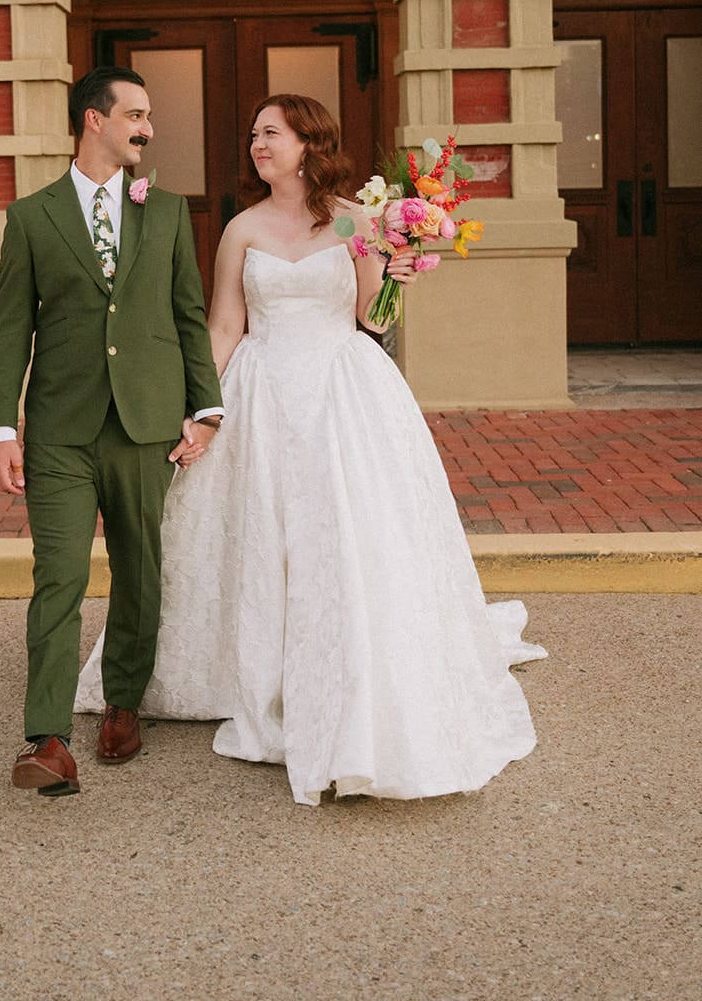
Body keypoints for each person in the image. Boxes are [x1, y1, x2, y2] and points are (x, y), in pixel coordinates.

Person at [76, 93, 545, 807]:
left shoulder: (359, 220)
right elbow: (225, 326)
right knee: (255, 530)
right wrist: (199, 407)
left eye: (271, 133)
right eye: (253, 134)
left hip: (338, 388)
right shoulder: (241, 228)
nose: (257, 145)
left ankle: (346, 666)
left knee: (342, 533)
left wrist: (399, 267)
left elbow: (371, 319)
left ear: (308, 142)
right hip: (258, 392)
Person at [0, 66, 223, 797]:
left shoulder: (168, 211)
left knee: (139, 568)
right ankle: (47, 736)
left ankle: (123, 700)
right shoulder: (32, 216)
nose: (147, 128)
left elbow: (188, 314)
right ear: (95, 120)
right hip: (59, 427)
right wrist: (1, 427)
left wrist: (206, 409)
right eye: (136, 115)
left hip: (146, 422)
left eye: (148, 116)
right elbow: (8, 328)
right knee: (56, 574)